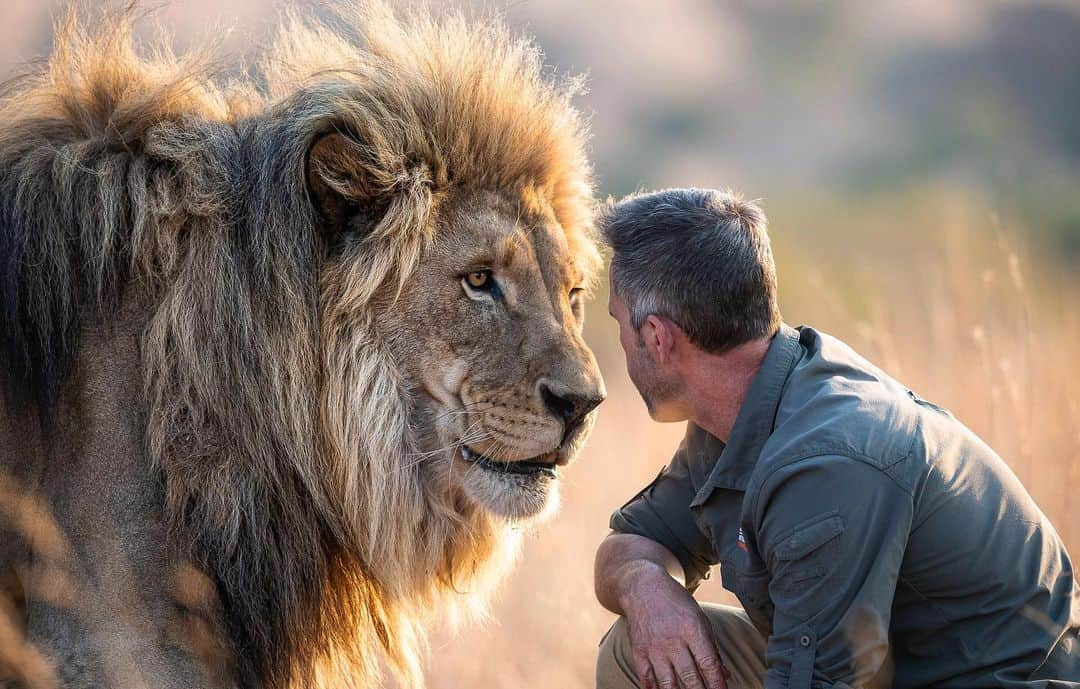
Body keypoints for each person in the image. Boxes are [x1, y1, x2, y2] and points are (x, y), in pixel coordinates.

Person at [593, 188, 1079, 689]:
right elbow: (632, 543)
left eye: (617, 323)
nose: (620, 348)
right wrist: (646, 588)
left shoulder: (825, 462)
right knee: (635, 650)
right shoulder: (739, 410)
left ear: (657, 336)